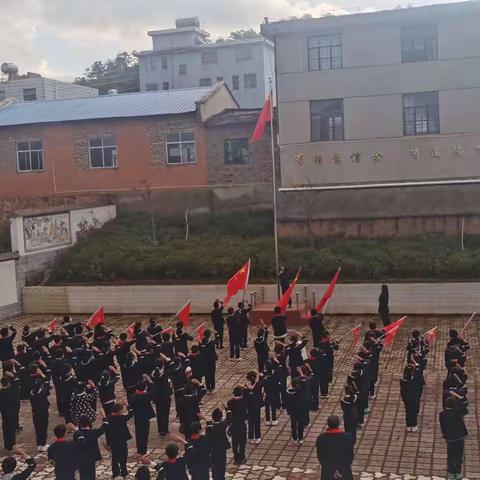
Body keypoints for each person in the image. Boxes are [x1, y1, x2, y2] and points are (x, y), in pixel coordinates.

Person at [316, 415, 354, 480]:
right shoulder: (347, 437)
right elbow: (350, 454)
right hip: (344, 468)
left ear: (328, 424)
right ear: (338, 424)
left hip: (328, 469)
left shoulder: (322, 438)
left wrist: (325, 464)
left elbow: (320, 455)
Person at [439, 396, 469, 480]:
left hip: (450, 438)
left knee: (451, 455)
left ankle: (451, 473)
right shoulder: (457, 412)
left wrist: (444, 434)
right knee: (459, 455)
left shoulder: (442, 414)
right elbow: (465, 406)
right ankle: (458, 472)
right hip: (459, 437)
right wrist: (459, 397)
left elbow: (443, 425)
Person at [73, 414, 108, 480]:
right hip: (92, 456)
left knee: (83, 473)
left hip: (81, 457)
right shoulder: (94, 432)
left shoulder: (77, 434)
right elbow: (105, 426)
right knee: (91, 473)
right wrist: (104, 417)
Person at [105, 402, 133, 480]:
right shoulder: (121, 418)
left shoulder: (109, 418)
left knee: (114, 457)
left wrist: (108, 443)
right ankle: (124, 472)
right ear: (119, 411)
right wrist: (127, 405)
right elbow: (131, 413)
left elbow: (107, 431)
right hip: (122, 440)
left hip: (113, 441)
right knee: (123, 458)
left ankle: (115, 473)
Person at [129, 380, 156, 455]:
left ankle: (139, 450)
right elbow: (154, 390)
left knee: (138, 434)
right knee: (144, 434)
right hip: (145, 417)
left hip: (137, 417)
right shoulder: (147, 395)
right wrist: (150, 382)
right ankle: (143, 451)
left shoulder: (132, 396)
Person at [206, 408, 231, 480]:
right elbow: (229, 418)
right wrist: (226, 408)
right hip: (222, 450)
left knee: (215, 469)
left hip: (213, 451)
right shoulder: (222, 425)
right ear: (221, 418)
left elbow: (209, 424)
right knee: (222, 467)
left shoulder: (209, 428)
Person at [226, 386, 247, 465]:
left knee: (235, 442)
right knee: (242, 442)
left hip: (234, 424)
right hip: (241, 424)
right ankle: (242, 457)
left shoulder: (230, 402)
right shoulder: (243, 401)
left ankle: (236, 458)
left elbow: (229, 414)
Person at [151, 360, 173, 436]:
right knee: (165, 413)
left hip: (157, 397)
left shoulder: (153, 374)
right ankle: (165, 429)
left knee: (159, 413)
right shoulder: (165, 374)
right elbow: (169, 384)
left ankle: (160, 429)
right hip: (165, 396)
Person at [29, 376, 51, 451]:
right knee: (43, 429)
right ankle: (43, 444)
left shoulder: (31, 393)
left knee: (38, 429)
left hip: (35, 413)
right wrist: (44, 376)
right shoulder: (42, 392)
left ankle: (39, 444)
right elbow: (48, 386)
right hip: (43, 413)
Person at [400, 364, 423, 432]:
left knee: (408, 412)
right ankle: (414, 425)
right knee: (413, 412)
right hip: (414, 398)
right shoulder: (414, 379)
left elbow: (402, 391)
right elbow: (418, 387)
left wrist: (403, 398)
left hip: (406, 398)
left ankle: (408, 425)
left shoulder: (403, 380)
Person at [286, 377, 309, 445]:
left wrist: (288, 410)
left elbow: (287, 403)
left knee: (293, 424)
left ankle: (294, 438)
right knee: (300, 424)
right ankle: (300, 438)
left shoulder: (289, 392)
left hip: (293, 411)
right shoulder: (302, 392)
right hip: (301, 410)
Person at [0, 376, 18, 450]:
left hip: (4, 413)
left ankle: (7, 444)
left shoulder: (1, 392)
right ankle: (12, 443)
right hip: (12, 412)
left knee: (6, 428)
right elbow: (17, 382)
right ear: (8, 383)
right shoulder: (12, 391)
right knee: (12, 429)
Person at [263, 360, 280, 425]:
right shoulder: (275, 373)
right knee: (273, 406)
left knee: (267, 406)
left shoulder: (264, 373)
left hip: (266, 392)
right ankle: (274, 419)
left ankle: (267, 420)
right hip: (273, 392)